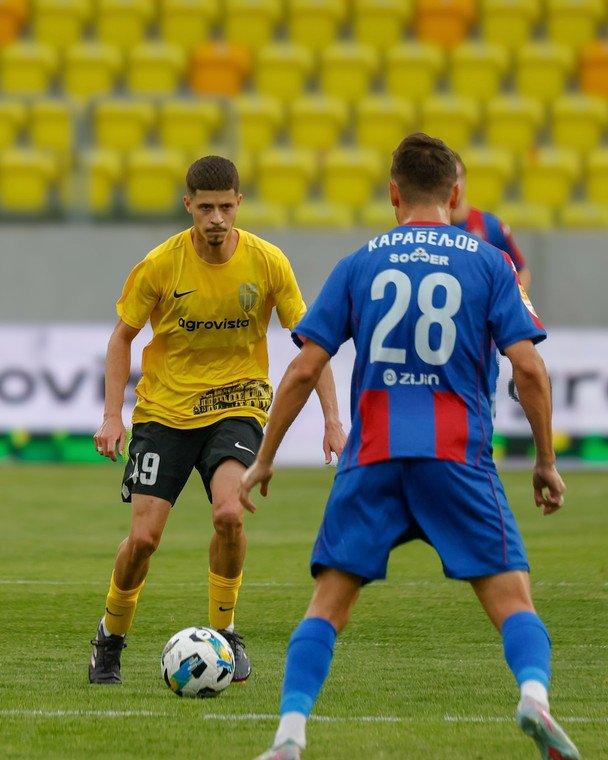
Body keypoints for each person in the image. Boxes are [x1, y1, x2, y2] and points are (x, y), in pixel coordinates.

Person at [240, 134, 580, 760]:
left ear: (393, 194)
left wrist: (263, 457)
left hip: (373, 456)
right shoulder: (490, 263)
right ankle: (534, 696)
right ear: (455, 193)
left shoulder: (358, 263)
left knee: (327, 606)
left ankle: (289, 735)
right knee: (512, 601)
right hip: (458, 458)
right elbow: (530, 370)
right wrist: (545, 461)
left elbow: (303, 368)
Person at [89, 155, 346, 686]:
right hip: (164, 412)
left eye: (225, 207)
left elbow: (312, 344)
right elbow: (121, 337)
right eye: (205, 208)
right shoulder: (161, 264)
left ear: (238, 204)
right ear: (188, 205)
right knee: (144, 540)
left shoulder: (267, 262)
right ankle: (110, 638)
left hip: (237, 404)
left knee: (230, 514)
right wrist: (113, 415)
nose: (216, 219)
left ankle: (224, 634)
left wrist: (332, 420)